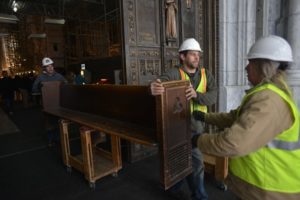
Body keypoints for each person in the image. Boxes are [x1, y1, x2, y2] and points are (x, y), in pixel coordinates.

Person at [192, 35, 300, 200]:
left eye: (250, 63)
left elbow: (233, 143)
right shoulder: (268, 94)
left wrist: (198, 140)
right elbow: (233, 117)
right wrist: (205, 117)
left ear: (263, 67)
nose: (246, 68)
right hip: (261, 187)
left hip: (270, 191)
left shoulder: (268, 100)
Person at [150, 38, 217, 200]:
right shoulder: (174, 73)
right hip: (178, 128)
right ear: (182, 56)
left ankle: (178, 190)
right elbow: (159, 83)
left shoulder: (206, 74)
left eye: (198, 55)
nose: (196, 58)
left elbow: (213, 97)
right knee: (191, 162)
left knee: (189, 162)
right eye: (193, 54)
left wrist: (196, 95)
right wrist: (152, 87)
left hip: (197, 127)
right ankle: (199, 196)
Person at [32, 57, 67, 147]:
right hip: (47, 104)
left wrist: (63, 85)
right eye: (48, 67)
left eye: (51, 66)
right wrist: (40, 87)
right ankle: (50, 140)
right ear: (44, 68)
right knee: (49, 123)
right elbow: (34, 88)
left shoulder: (59, 76)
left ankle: (57, 139)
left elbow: (66, 85)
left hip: (58, 103)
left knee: (58, 122)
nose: (50, 68)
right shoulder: (41, 77)